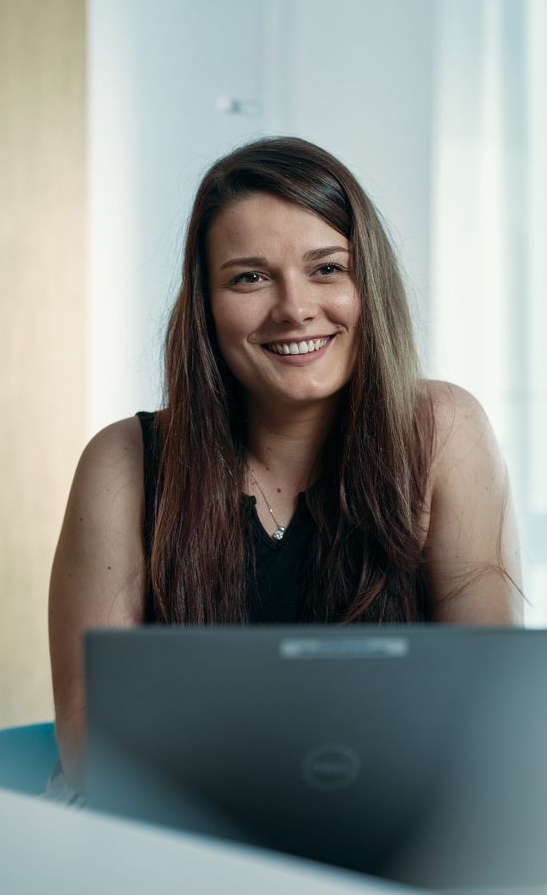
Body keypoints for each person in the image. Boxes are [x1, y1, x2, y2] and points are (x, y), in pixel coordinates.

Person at [47, 136, 521, 795]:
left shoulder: (444, 432)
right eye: (250, 276)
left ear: (367, 282)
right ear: (205, 306)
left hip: (384, 823)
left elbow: (494, 713)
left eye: (327, 268)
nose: (295, 307)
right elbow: (89, 744)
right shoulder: (123, 464)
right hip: (179, 836)